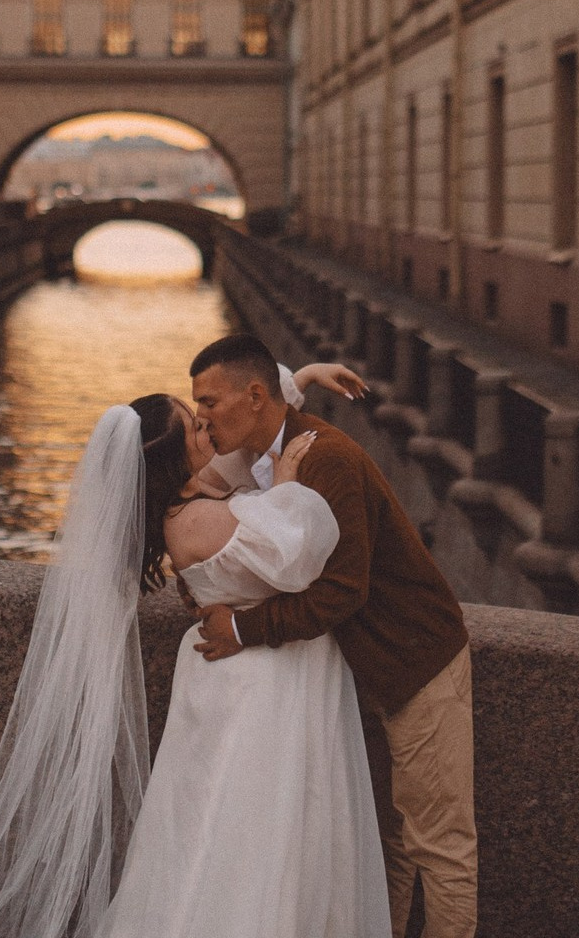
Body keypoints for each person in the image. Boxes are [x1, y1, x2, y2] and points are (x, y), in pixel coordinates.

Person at [0, 370, 390, 938]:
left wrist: (297, 379)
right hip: (255, 686)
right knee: (250, 831)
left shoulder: (196, 499)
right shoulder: (202, 519)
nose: (209, 427)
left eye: (202, 416)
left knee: (215, 825)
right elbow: (301, 549)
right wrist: (286, 481)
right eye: (194, 427)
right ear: (171, 460)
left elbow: (246, 418)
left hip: (234, 680)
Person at [189, 333, 477, 938]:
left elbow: (345, 589)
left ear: (254, 397)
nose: (203, 417)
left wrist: (244, 627)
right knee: (389, 839)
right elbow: (202, 479)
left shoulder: (327, 457)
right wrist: (310, 373)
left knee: (440, 844)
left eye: (209, 403)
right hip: (361, 666)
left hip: (415, 660)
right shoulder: (258, 452)